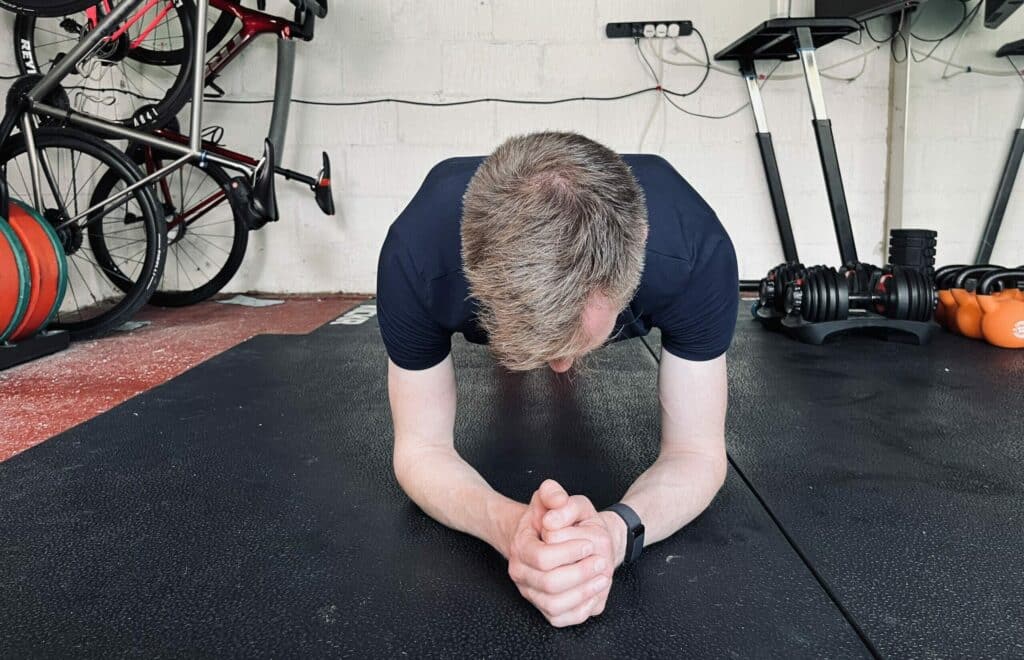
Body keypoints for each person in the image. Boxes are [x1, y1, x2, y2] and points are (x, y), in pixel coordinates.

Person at [377, 132, 738, 627]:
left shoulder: (694, 250)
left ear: (632, 280)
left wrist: (615, 533)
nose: (562, 370)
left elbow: (696, 452)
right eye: (542, 351)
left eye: (576, 347)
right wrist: (511, 529)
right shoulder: (415, 255)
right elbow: (420, 450)